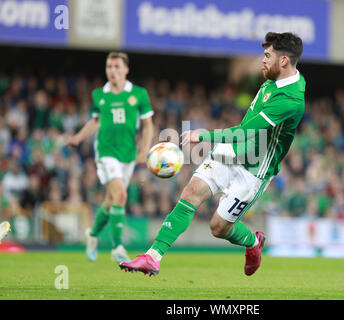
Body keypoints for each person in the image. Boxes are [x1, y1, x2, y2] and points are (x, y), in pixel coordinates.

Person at [120, 32, 305, 276]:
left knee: (218, 227)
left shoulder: (290, 101)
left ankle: (252, 242)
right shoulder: (276, 77)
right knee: (191, 191)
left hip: (254, 171)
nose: (262, 60)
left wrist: (203, 136)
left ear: (283, 61)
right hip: (231, 152)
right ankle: (153, 257)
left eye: (267, 56)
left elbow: (244, 133)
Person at [68, 52, 154, 264]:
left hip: (128, 155)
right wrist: (78, 137)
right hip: (106, 153)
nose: (112, 71)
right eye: (109, 67)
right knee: (121, 195)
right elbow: (96, 121)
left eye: (116, 66)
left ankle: (93, 234)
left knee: (111, 200)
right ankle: (117, 246)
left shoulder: (139, 94)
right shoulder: (99, 95)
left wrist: (144, 150)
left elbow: (148, 124)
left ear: (126, 70)